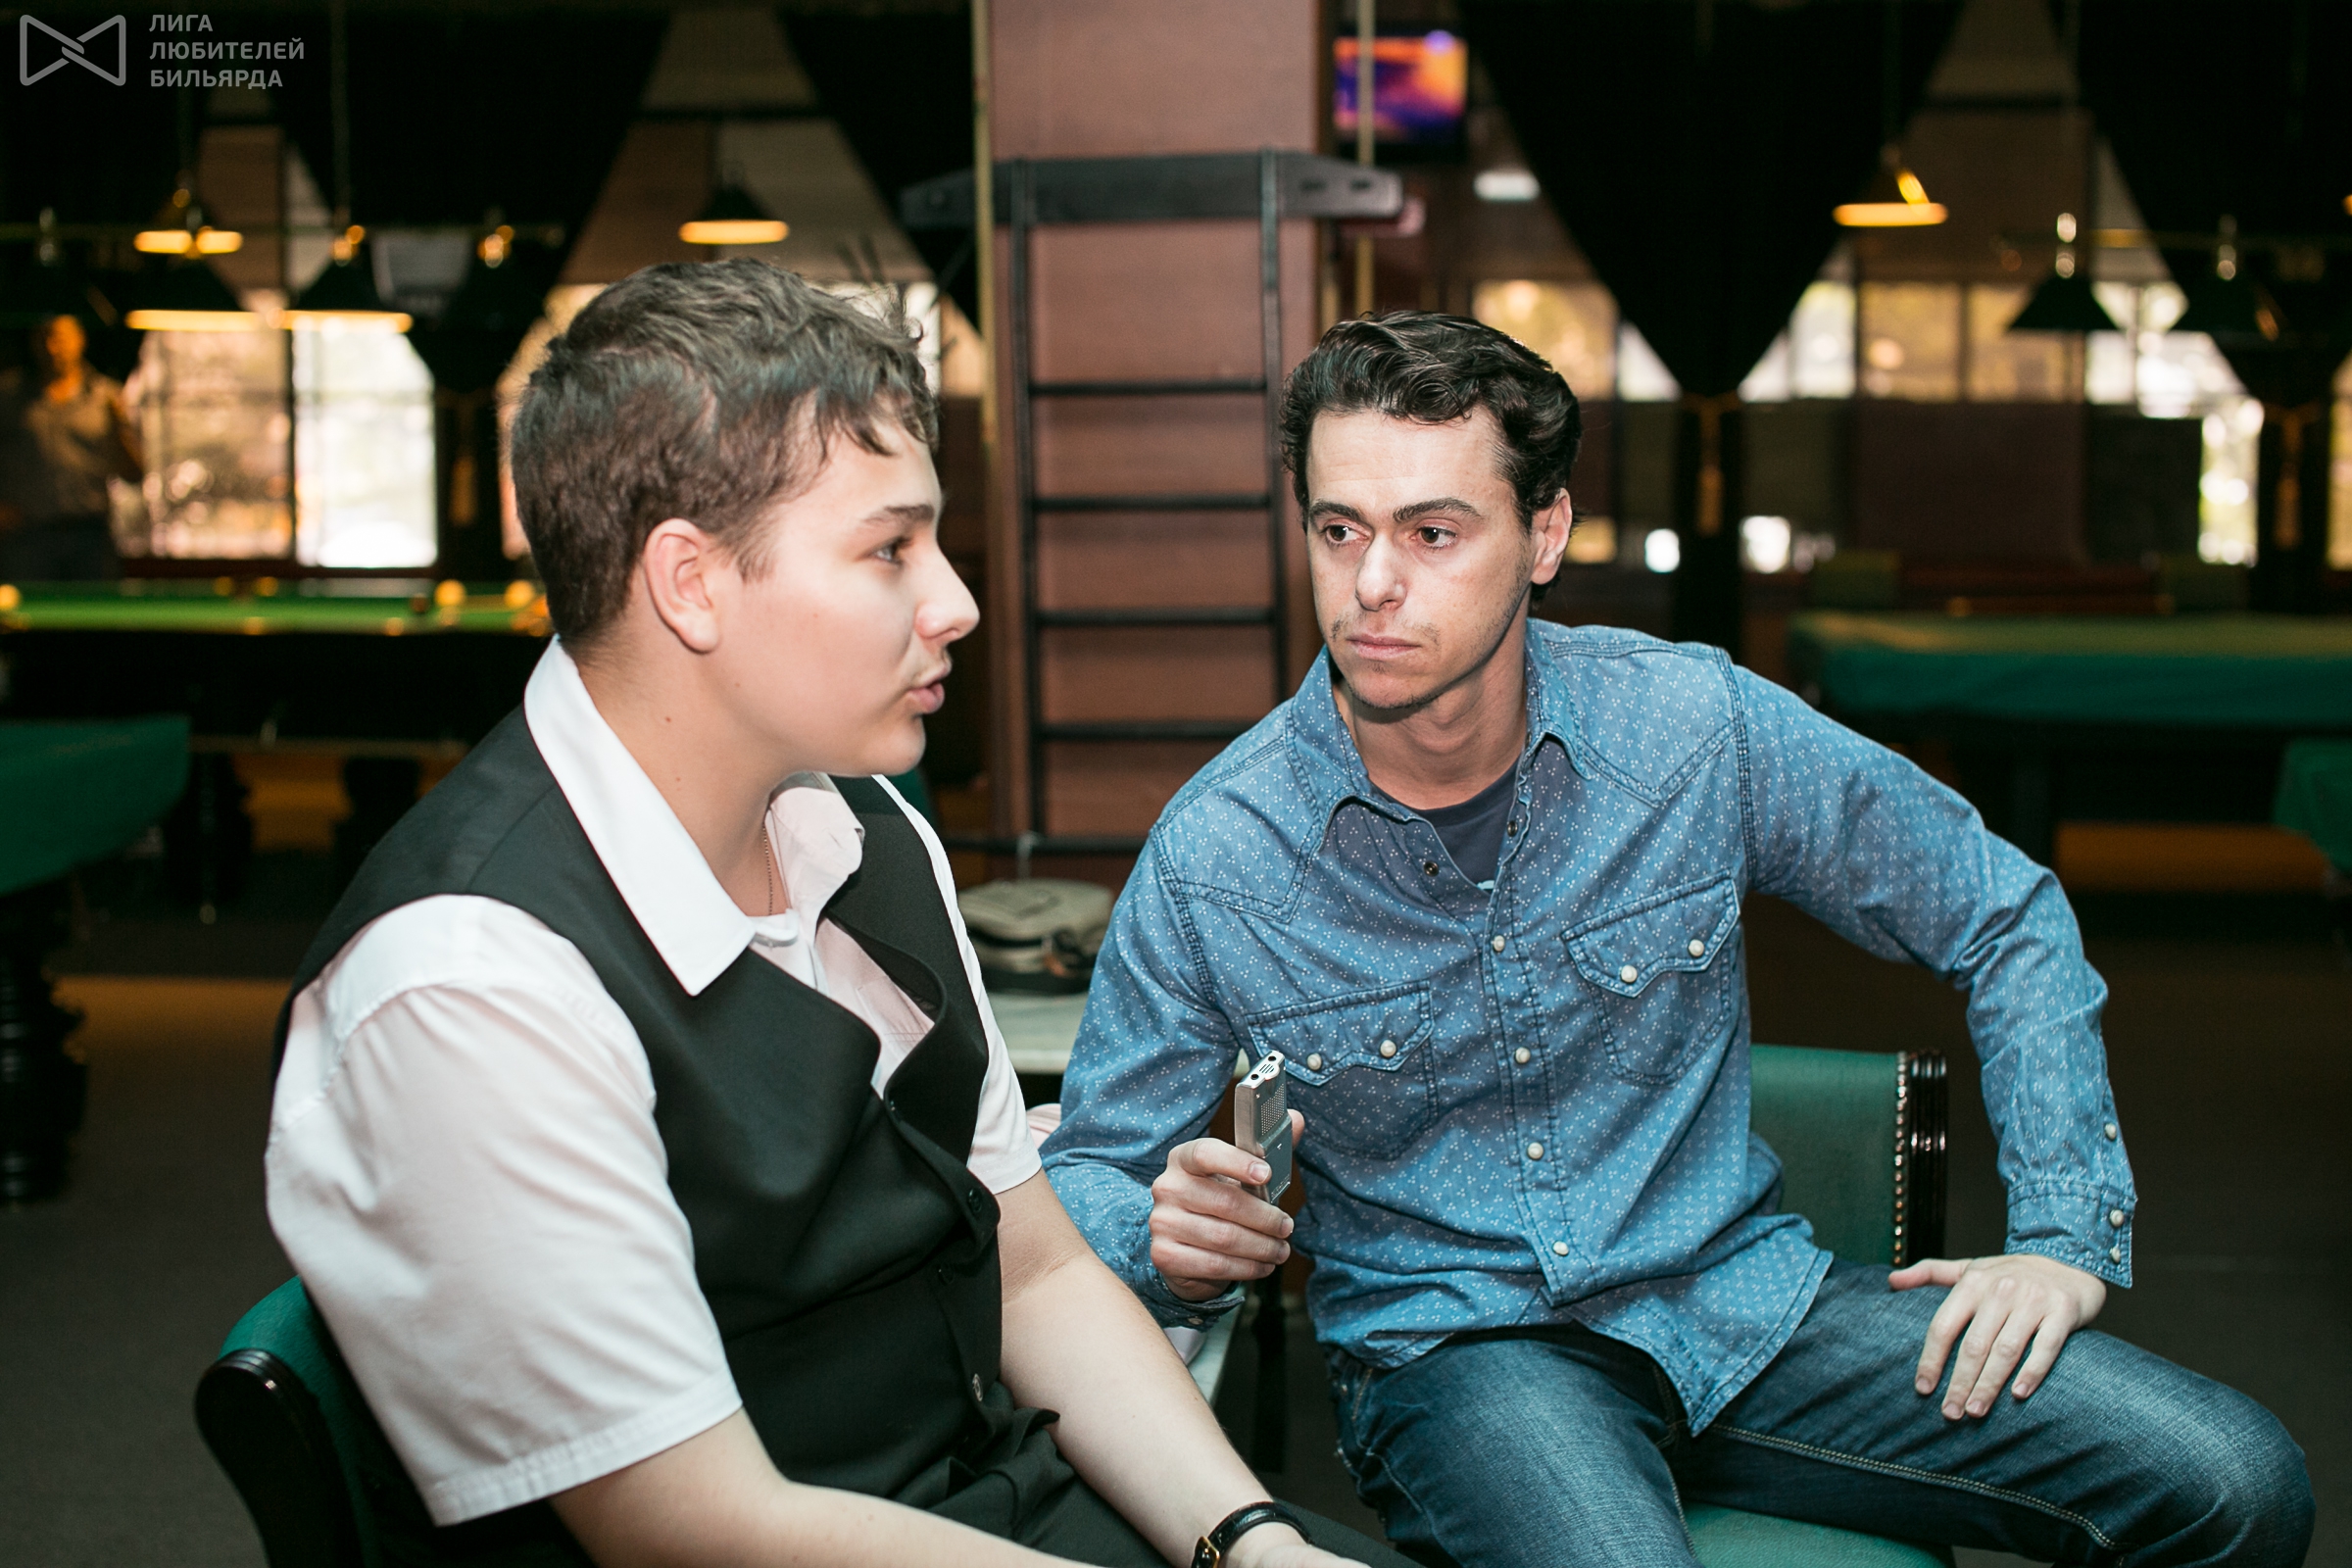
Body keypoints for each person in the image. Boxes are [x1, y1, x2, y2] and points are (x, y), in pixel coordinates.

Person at [1041, 313, 2314, 1567]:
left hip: (1741, 1304)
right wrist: (1160, 1234)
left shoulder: (1693, 727)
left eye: (1433, 532)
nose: (1374, 583)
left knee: (2236, 1483)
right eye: (1339, 530)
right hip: (1464, 1359)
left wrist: (2058, 1237)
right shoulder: (1219, 852)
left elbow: (2003, 909)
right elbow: (1092, 1166)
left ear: (1546, 533)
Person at [266, 259, 1412, 1568]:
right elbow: (698, 1526)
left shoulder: (864, 828)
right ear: (690, 582)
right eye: (889, 549)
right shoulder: (465, 980)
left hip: (976, 1494)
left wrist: (1247, 1539)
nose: (955, 602)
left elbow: (1033, 1270)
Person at [0, 313, 140, 580]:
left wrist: (121, 430)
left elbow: (134, 474)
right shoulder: (8, 395)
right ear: (33, 342)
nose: (52, 348)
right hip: (26, 535)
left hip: (89, 536)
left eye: (60, 338)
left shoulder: (106, 397)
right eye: (45, 338)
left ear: (80, 340)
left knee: (94, 606)